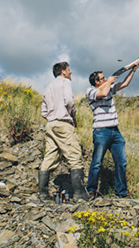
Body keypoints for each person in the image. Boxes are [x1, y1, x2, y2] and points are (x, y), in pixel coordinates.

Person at [85, 58, 139, 198]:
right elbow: (103, 94)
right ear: (96, 82)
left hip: (115, 131)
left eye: (105, 78)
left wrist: (133, 69)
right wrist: (110, 81)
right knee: (97, 162)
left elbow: (125, 83)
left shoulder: (108, 87)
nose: (105, 79)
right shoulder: (91, 91)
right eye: (102, 78)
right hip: (101, 132)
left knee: (121, 162)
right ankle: (91, 190)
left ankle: (121, 191)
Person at [38, 61, 90, 201]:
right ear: (63, 72)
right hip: (63, 123)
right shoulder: (65, 82)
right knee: (74, 156)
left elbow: (43, 111)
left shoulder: (48, 87)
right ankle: (79, 194)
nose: (70, 72)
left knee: (50, 156)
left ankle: (43, 194)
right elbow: (69, 101)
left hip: (50, 124)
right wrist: (72, 116)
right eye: (68, 70)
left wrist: (51, 116)